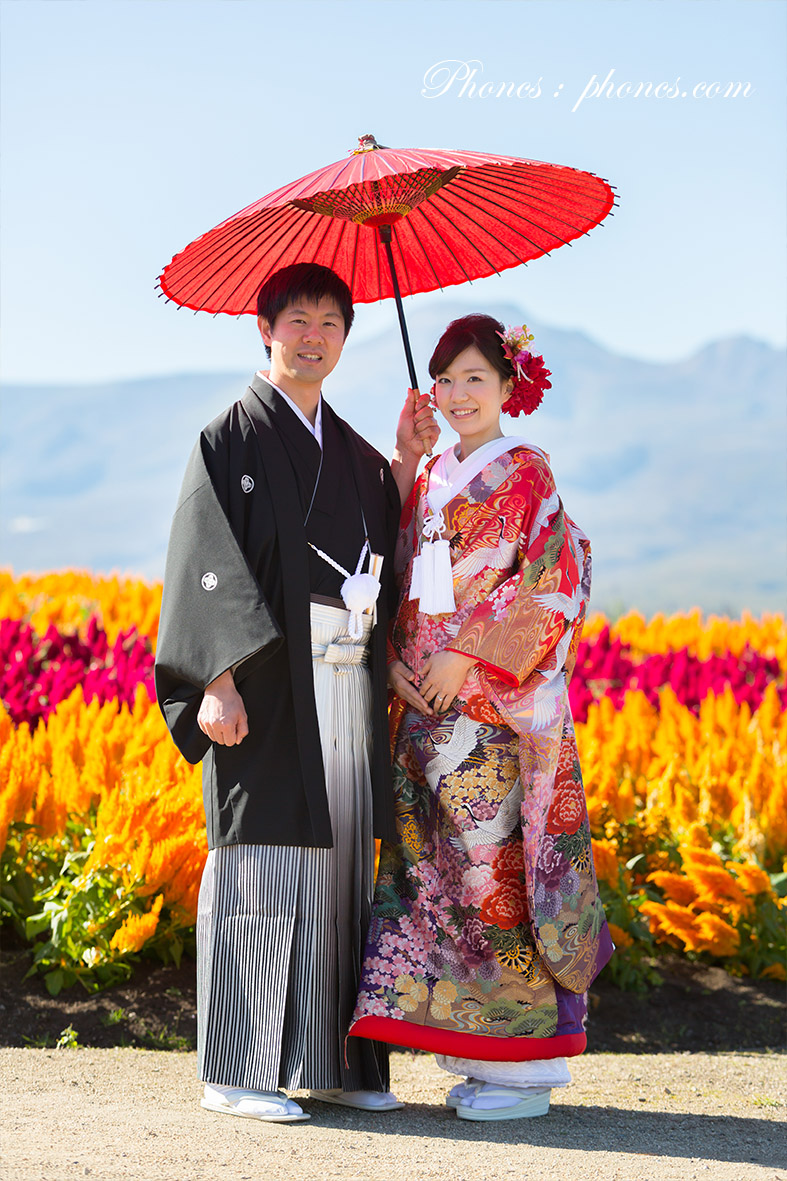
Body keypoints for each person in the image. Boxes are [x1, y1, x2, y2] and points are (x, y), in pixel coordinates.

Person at [155, 262, 437, 1123]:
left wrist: (406, 461)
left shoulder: (354, 452)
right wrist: (216, 678)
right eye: (298, 321)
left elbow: (385, 547)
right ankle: (236, 1066)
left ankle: (334, 1062)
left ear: (345, 338)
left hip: (346, 680)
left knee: (342, 864)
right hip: (268, 682)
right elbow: (201, 563)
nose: (313, 337)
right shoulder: (229, 438)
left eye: (329, 323)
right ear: (265, 330)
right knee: (262, 860)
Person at [348, 314, 613, 1121]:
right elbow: (400, 578)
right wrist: (395, 660)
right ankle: (477, 1056)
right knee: (438, 883)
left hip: (490, 710)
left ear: (507, 388)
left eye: (475, 378)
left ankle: (526, 1069)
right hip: (424, 711)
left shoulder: (526, 470)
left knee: (494, 879)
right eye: (446, 379)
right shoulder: (431, 474)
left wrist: (465, 653)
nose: (458, 394)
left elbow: (553, 576)